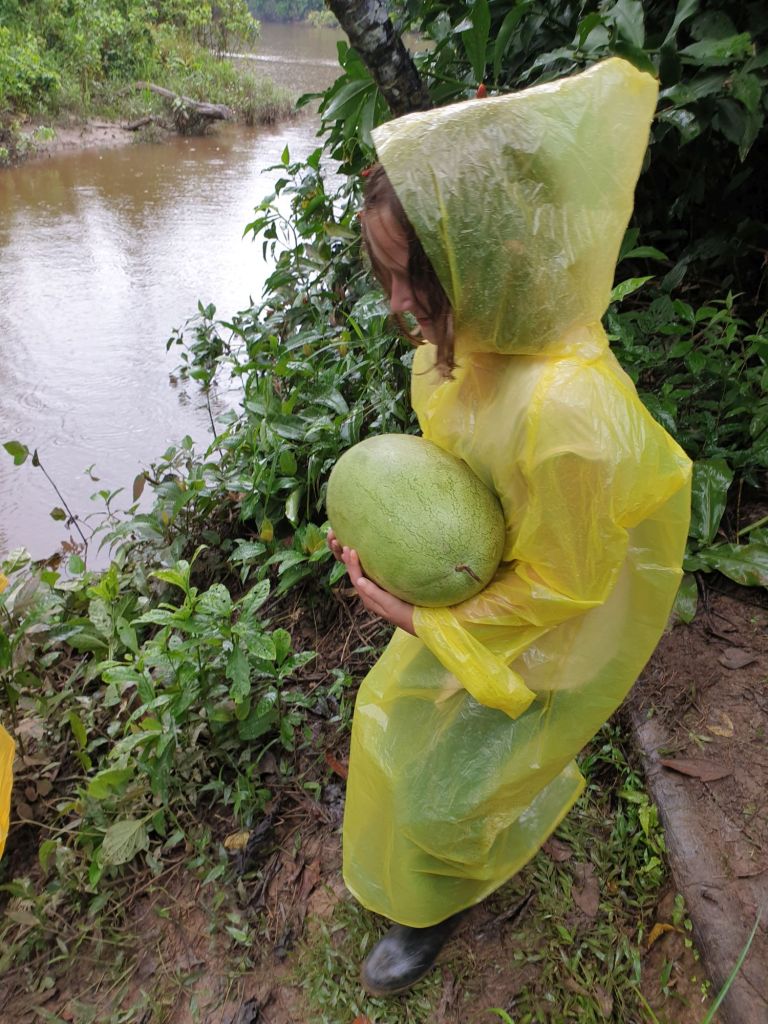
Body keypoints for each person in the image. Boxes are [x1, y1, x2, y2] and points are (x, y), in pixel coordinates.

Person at [327, 57, 692, 997]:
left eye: (412, 280)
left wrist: (420, 617)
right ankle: (431, 864)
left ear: (481, 260)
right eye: (388, 279)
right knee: (393, 723)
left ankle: (438, 901)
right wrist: (397, 538)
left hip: (560, 618)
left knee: (461, 780)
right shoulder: (463, 348)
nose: (397, 306)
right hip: (486, 586)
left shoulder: (569, 414)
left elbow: (565, 586)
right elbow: (456, 483)